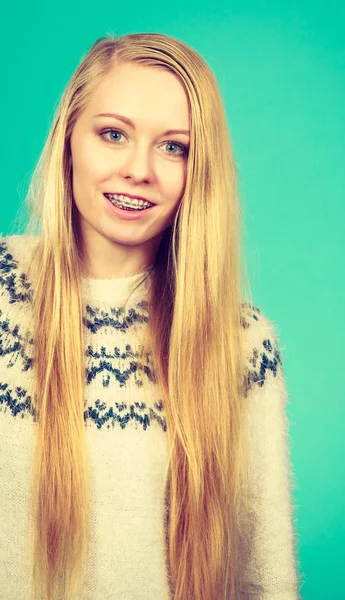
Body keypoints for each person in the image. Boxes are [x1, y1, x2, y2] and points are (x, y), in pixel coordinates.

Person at [0, 32, 302, 600]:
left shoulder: (240, 344)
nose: (140, 169)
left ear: (199, 169)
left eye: (174, 148)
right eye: (113, 134)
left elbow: (264, 579)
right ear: (68, 141)